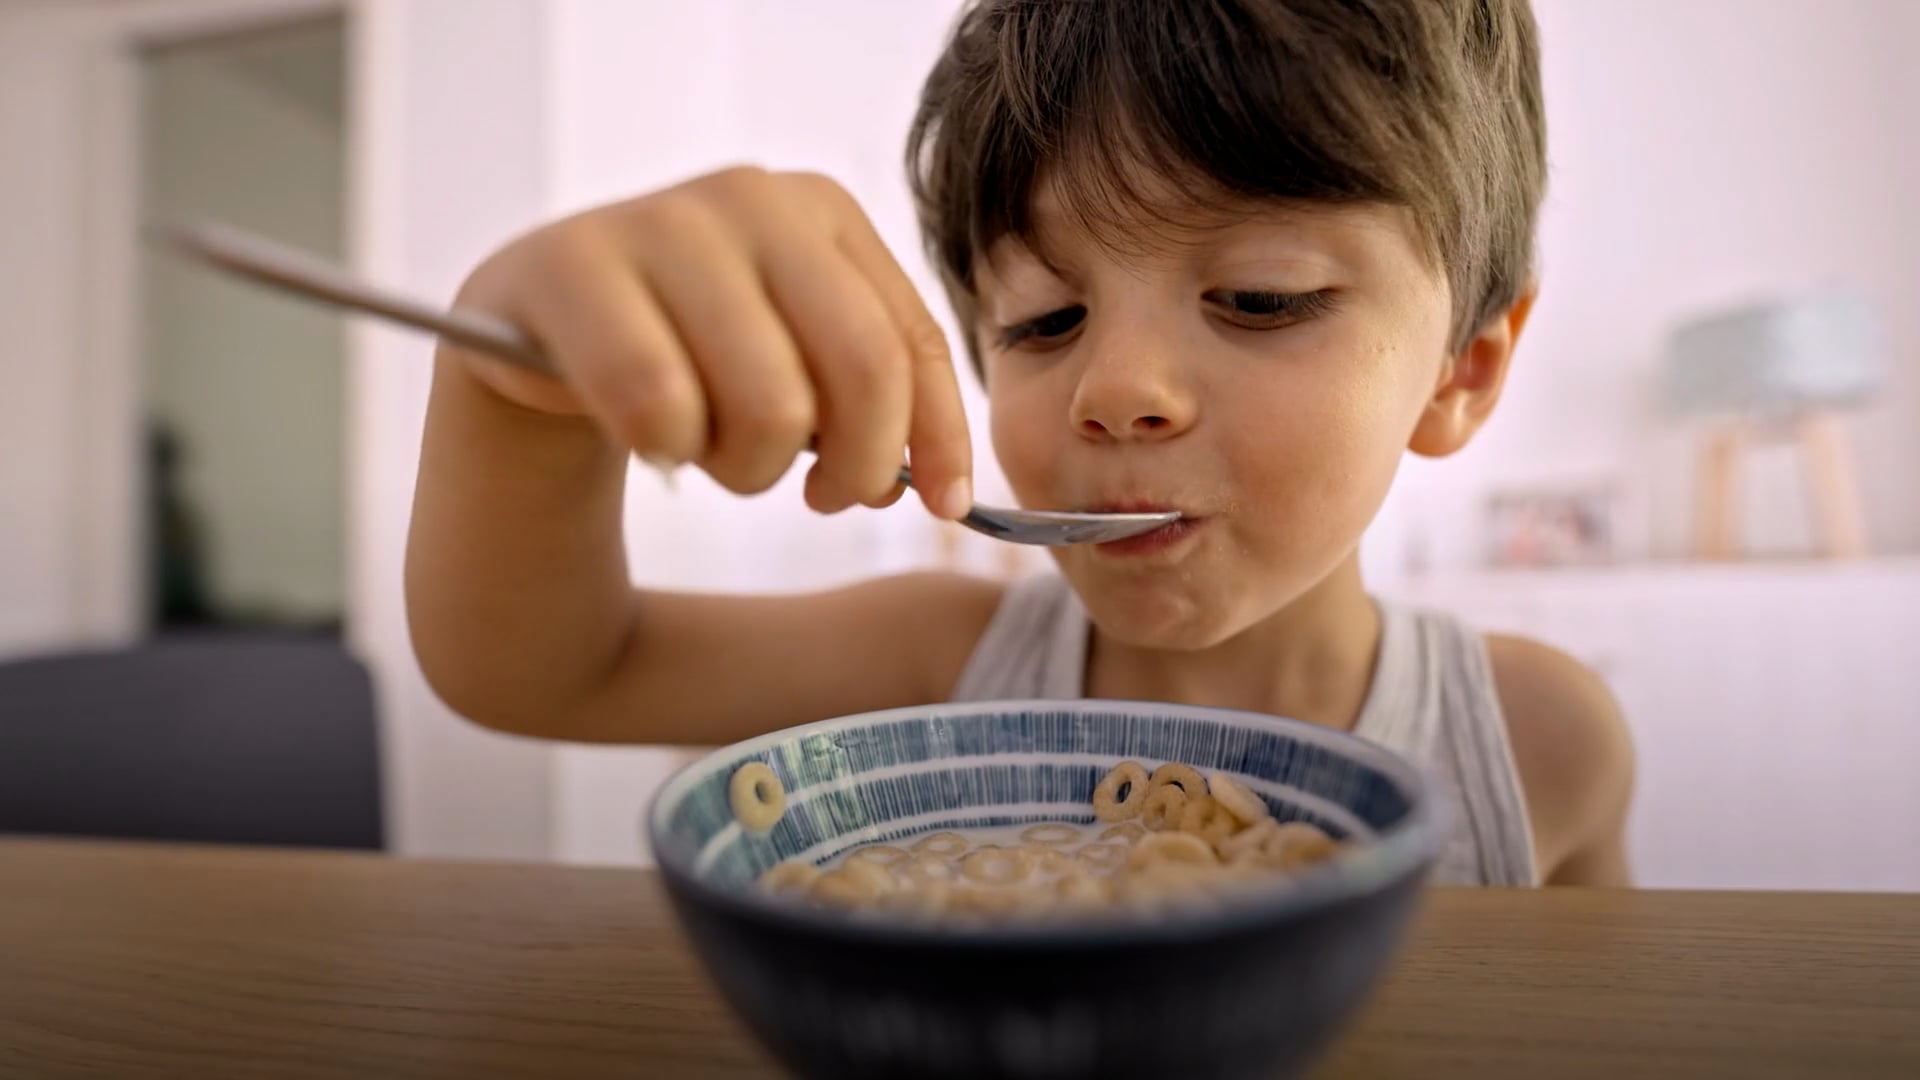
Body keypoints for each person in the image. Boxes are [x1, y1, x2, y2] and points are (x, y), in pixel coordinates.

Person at [405, 0, 1633, 886]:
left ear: (1461, 371)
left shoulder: (1538, 739)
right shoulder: (939, 665)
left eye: (1262, 297)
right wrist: (510, 385)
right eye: (1044, 321)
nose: (1119, 390)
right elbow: (547, 668)